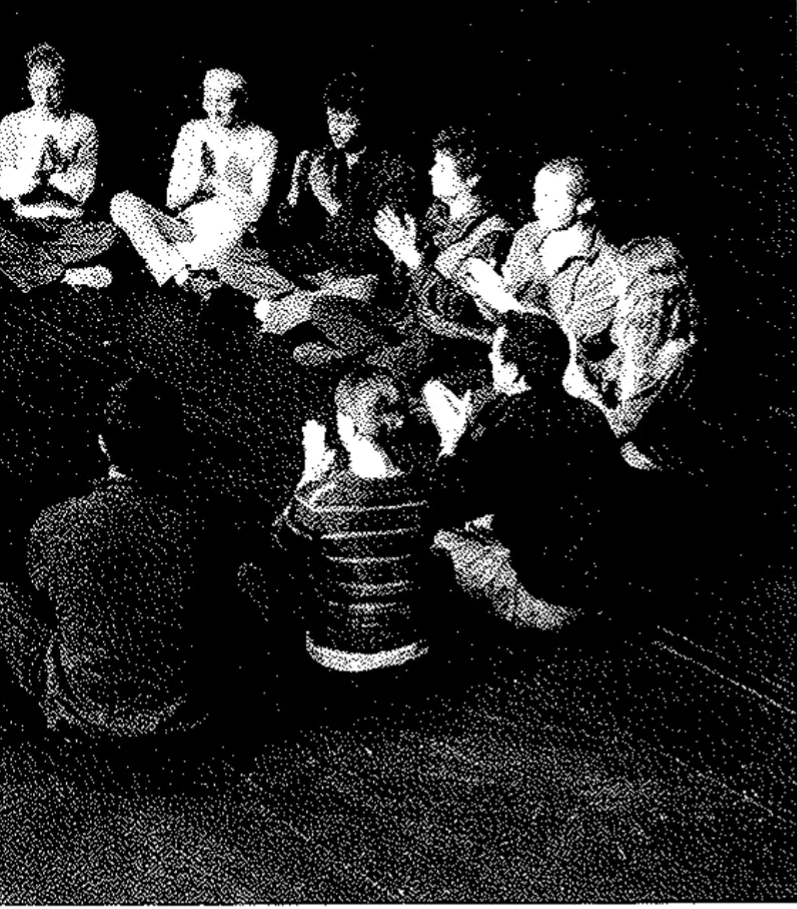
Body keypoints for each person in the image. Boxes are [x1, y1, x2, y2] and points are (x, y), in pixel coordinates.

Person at [0, 375, 213, 738]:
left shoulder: (57, 521)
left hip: (79, 712)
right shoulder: (197, 526)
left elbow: (42, 596)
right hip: (174, 715)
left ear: (103, 445)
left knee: (2, 598)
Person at [422, 312, 619, 631]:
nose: (489, 356)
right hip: (598, 584)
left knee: (422, 538)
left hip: (546, 598)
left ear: (514, 372)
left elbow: (442, 504)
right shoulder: (590, 414)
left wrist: (451, 442)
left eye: (496, 354)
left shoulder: (506, 422)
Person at [297, 126, 515, 379]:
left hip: (445, 335)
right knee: (324, 308)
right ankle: (370, 358)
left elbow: (461, 309)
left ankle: (352, 359)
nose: (432, 171)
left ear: (472, 179)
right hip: (406, 322)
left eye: (442, 167)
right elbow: (402, 287)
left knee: (419, 354)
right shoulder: (437, 214)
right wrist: (399, 253)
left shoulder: (494, 234)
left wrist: (414, 260)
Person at [268, 372, 440, 672]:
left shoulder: (319, 499)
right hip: (413, 645)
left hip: (340, 654)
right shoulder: (423, 492)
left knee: (262, 572)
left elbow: (277, 546)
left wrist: (307, 477)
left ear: (346, 425)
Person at [227, 71, 414, 309]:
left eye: (345, 121)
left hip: (356, 270)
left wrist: (329, 200)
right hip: (314, 262)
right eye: (331, 118)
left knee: (366, 289)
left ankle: (298, 305)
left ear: (365, 120)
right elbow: (290, 228)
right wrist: (293, 192)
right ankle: (304, 302)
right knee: (231, 261)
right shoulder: (325, 159)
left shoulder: (392, 171)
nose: (334, 128)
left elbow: (375, 247)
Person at [108, 68, 279, 292]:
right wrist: (198, 176)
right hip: (185, 227)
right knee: (121, 203)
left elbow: (255, 210)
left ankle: (172, 269)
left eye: (224, 102)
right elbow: (173, 199)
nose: (214, 110)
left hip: (226, 230)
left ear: (241, 100)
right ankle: (180, 275)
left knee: (201, 253)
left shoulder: (263, 140)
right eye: (209, 100)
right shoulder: (192, 131)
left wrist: (214, 182)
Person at [461, 156, 622, 379]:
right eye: (537, 194)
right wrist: (483, 290)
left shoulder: (605, 266)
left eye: (553, 199)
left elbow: (569, 342)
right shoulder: (528, 236)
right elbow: (499, 316)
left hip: (565, 376)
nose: (539, 205)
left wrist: (504, 302)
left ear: (585, 205)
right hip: (508, 358)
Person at [0, 43, 120, 292]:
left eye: (53, 88)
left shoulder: (83, 126)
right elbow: (4, 189)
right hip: (24, 223)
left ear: (64, 85)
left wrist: (56, 172)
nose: (45, 96)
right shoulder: (11, 124)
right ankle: (68, 276)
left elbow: (83, 192)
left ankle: (21, 269)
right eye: (37, 88)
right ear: (28, 85)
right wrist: (35, 171)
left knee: (110, 234)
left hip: (69, 226)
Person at [564, 236, 702, 472]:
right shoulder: (641, 333)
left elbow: (619, 426)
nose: (621, 302)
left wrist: (580, 385)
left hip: (644, 465)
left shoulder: (665, 347)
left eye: (626, 290)